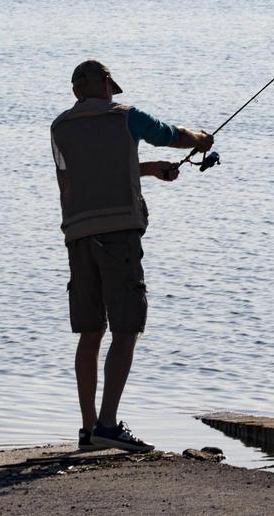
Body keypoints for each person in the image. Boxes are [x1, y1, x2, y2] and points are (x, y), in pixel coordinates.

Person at [50, 60, 213, 452]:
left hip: (77, 236)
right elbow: (170, 134)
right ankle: (109, 425)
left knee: (90, 332)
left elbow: (76, 177)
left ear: (76, 91)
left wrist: (148, 171)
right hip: (119, 235)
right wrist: (200, 140)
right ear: (106, 84)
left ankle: (89, 430)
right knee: (126, 328)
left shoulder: (60, 127)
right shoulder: (128, 117)